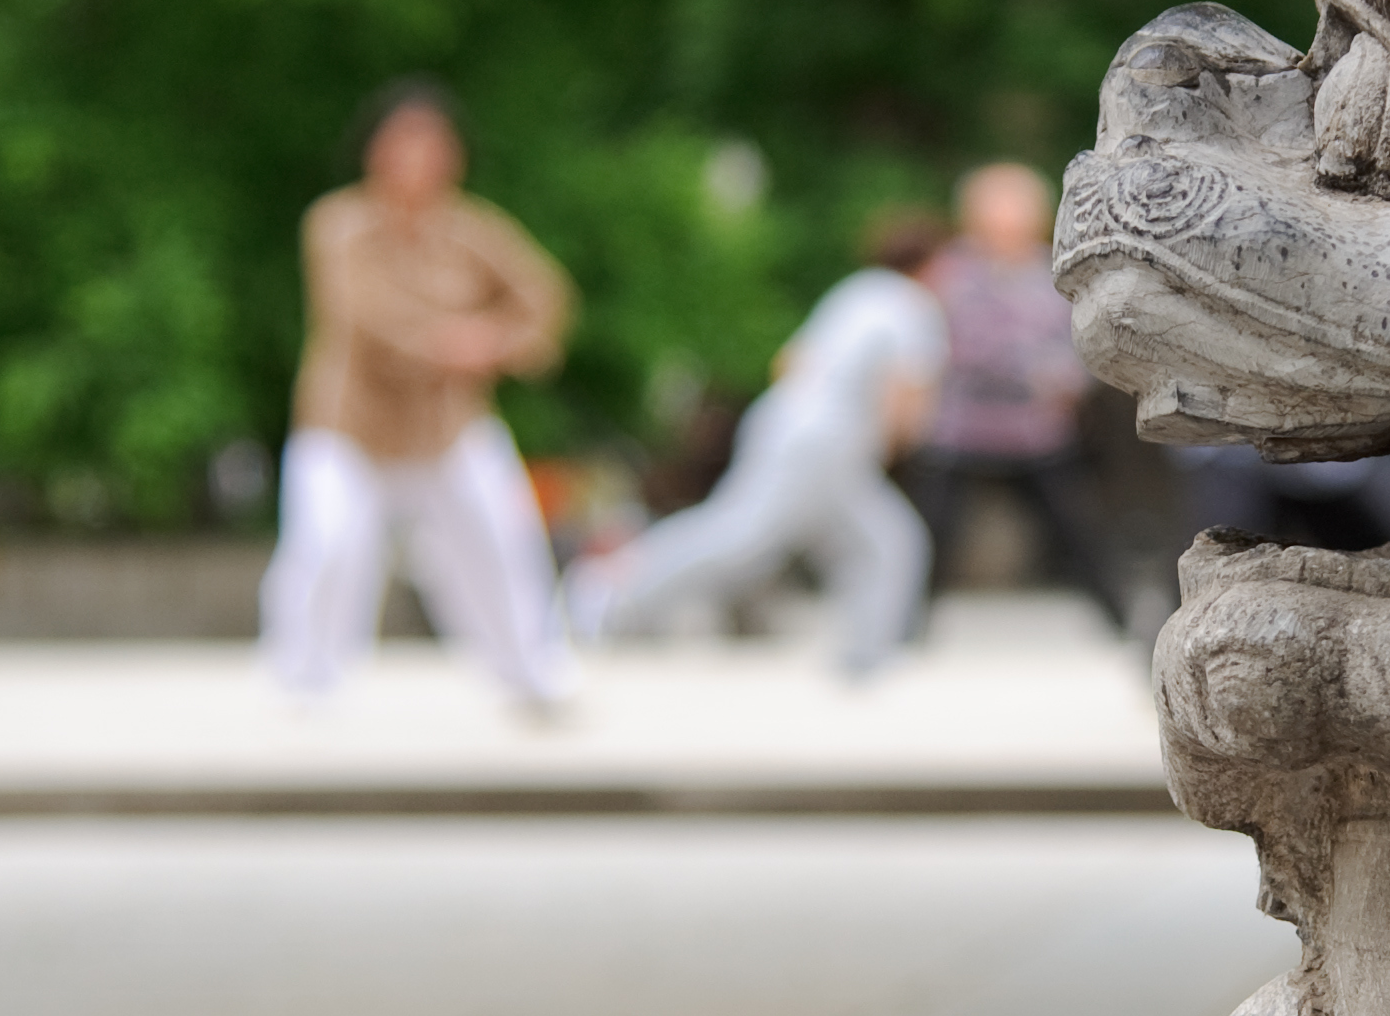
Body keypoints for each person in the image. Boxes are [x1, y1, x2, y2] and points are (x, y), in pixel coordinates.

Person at [259, 79, 581, 714]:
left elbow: (546, 298)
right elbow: (361, 316)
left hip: (446, 426)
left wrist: (500, 341)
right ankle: (306, 673)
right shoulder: (337, 224)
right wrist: (450, 342)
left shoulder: (473, 230)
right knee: (329, 542)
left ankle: (531, 668)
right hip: (348, 425)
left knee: (499, 540)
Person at [568, 210, 950, 678]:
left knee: (885, 540)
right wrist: (892, 443)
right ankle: (610, 590)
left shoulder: (856, 292)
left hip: (790, 423)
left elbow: (788, 361)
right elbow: (905, 397)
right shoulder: (913, 306)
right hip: (825, 443)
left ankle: (868, 657)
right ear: (930, 263)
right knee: (742, 540)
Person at [901, 162, 1132, 632]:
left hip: (1034, 430)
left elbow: (1084, 341)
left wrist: (1069, 379)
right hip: (961, 425)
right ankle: (905, 625)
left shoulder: (1056, 269)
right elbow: (956, 343)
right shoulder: (950, 272)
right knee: (933, 531)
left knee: (1077, 527)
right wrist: (1030, 367)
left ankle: (1122, 623)